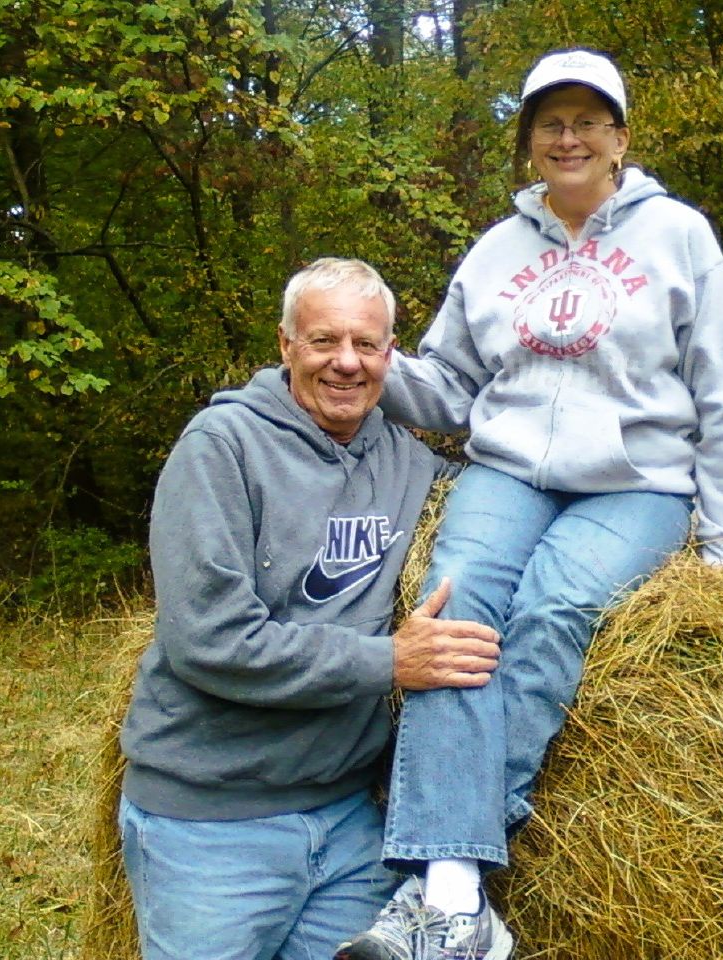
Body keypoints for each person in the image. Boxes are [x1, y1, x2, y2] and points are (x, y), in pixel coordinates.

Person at [336, 49, 723, 960]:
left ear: (620, 138)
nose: (568, 138)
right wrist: (372, 368)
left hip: (639, 483)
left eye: (587, 121)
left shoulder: (678, 236)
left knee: (556, 606)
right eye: (550, 124)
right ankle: (459, 901)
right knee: (453, 602)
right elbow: (453, 386)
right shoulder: (497, 252)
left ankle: (443, 875)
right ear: (531, 144)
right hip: (508, 471)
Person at [118, 257, 503, 960]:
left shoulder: (405, 459)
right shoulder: (221, 449)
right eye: (324, 341)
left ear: (393, 354)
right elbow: (210, 641)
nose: (346, 364)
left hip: (350, 826)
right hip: (213, 826)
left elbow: (499, 516)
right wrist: (391, 661)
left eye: (367, 344)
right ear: (286, 345)